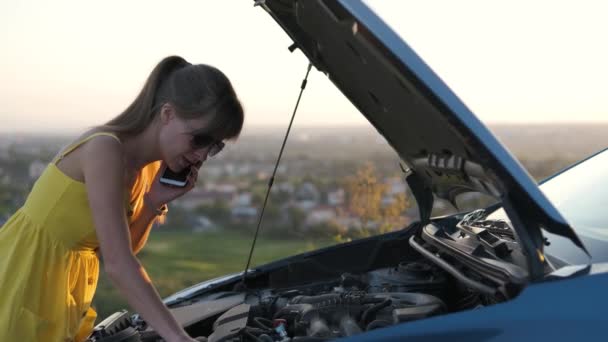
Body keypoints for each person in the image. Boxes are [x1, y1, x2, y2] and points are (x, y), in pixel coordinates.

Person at [0, 56, 244, 341]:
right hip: (24, 282)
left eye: (215, 146)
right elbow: (118, 264)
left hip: (63, 295)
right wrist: (179, 339)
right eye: (200, 139)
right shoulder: (104, 149)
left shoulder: (149, 166)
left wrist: (152, 204)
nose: (202, 155)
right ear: (167, 114)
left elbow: (117, 250)